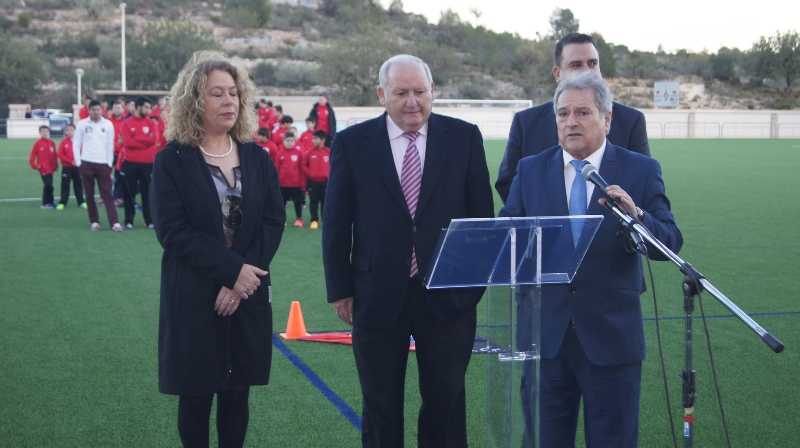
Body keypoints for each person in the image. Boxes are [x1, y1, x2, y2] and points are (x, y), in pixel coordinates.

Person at [500, 72, 683, 447]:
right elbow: (507, 236)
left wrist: (638, 217)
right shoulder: (530, 169)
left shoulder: (640, 170)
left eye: (582, 112)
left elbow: (670, 241)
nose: (571, 122)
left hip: (612, 340)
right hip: (545, 340)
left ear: (608, 118)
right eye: (563, 113)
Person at [322, 54, 494, 447]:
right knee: (381, 403)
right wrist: (341, 288)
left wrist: (470, 290)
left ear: (434, 92)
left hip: (448, 296)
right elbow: (335, 222)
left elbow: (480, 218)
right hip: (376, 293)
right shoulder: (353, 143)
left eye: (420, 91)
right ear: (382, 94)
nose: (412, 101)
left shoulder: (464, 137)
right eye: (401, 93)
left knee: (446, 402)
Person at [151, 56, 285, 448]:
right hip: (194, 295)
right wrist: (231, 271)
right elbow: (173, 232)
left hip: (247, 293)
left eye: (234, 93)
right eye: (217, 94)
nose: (229, 101)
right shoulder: (171, 161)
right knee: (195, 395)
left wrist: (242, 280)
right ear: (194, 101)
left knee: (236, 391)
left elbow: (272, 223)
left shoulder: (257, 158)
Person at [495, 32, 651, 203]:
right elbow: (508, 183)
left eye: (593, 63)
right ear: (557, 73)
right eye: (576, 65)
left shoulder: (631, 121)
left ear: (607, 120)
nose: (587, 71)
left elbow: (642, 186)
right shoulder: (526, 123)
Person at [74, 100, 121, 231]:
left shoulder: (108, 124)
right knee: (89, 195)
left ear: (102, 110)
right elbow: (76, 143)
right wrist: (79, 162)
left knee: (107, 194)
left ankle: (115, 223)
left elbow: (110, 144)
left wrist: (109, 163)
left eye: (98, 109)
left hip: (103, 164)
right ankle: (94, 222)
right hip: (86, 163)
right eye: (93, 110)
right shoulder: (82, 124)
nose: (96, 112)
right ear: (89, 111)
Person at [120, 97, 158, 229]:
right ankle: (129, 220)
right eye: (146, 107)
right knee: (129, 193)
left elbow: (153, 139)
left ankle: (149, 221)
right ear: (138, 107)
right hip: (130, 163)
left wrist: (137, 139)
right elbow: (127, 142)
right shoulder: (126, 123)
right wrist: (144, 141)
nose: (149, 110)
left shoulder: (151, 123)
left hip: (148, 164)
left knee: (148, 193)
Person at [274, 132, 305, 228]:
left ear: (295, 141)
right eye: (287, 140)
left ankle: (299, 219)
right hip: (282, 185)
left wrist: (302, 184)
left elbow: (302, 169)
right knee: (282, 204)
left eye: (292, 141)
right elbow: (276, 169)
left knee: (297, 203)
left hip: (296, 184)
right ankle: (283, 220)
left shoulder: (299, 153)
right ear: (283, 141)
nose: (289, 143)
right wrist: (276, 183)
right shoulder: (279, 153)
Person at [302, 130, 330, 230]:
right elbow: (303, 165)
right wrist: (310, 174)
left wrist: (329, 175)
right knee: (313, 202)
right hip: (313, 182)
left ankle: (325, 220)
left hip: (326, 182)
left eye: (315, 139)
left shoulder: (328, 152)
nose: (313, 140)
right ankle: (314, 220)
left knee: (325, 202)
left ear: (322, 140)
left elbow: (335, 165)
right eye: (313, 138)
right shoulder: (309, 152)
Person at [56, 124, 85, 209]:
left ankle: (81, 202)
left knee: (78, 185)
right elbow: (60, 154)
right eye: (68, 130)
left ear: (75, 131)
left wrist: (79, 161)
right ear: (65, 132)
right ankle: (62, 203)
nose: (70, 132)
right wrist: (71, 161)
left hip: (77, 168)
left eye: (72, 130)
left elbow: (83, 152)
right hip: (67, 167)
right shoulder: (63, 142)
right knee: (65, 185)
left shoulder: (79, 142)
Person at [28, 125, 58, 209]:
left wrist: (56, 165)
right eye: (43, 131)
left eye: (46, 131)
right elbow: (32, 156)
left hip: (51, 169)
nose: (45, 133)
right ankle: (45, 203)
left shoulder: (52, 143)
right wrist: (35, 166)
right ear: (40, 133)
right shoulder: (37, 143)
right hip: (43, 169)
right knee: (48, 185)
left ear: (48, 132)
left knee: (50, 186)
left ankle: (51, 202)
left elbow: (54, 155)